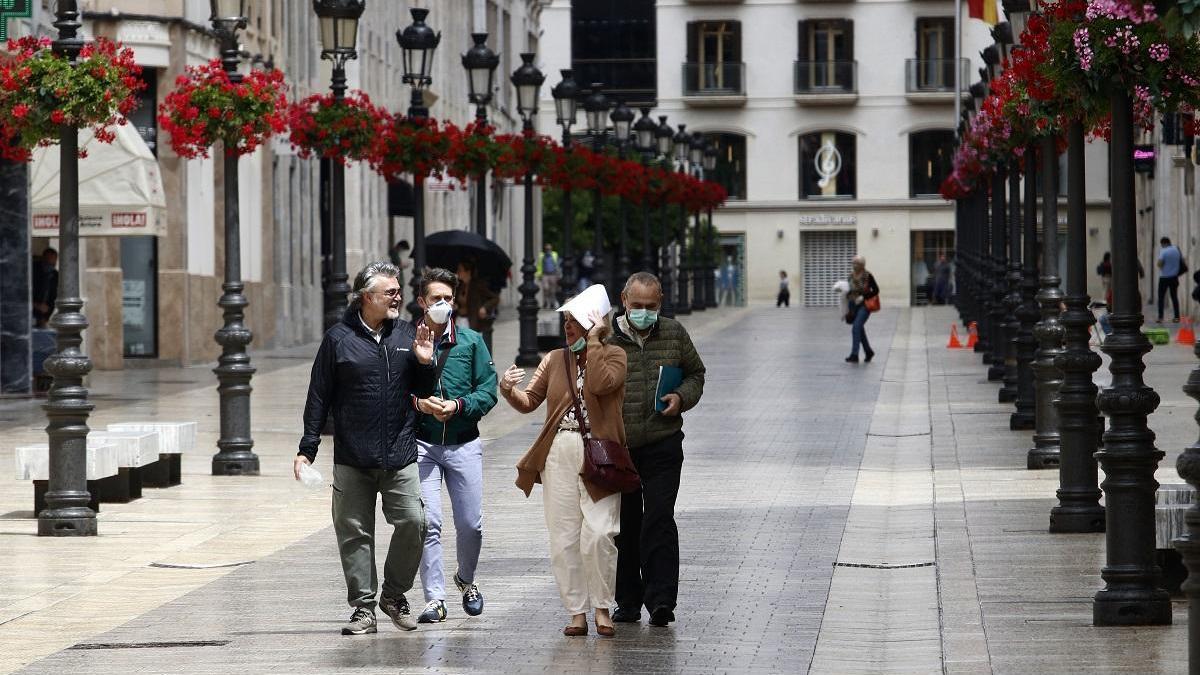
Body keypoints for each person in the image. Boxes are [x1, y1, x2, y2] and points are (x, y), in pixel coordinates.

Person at [295, 261, 437, 636]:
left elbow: (424, 393)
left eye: (398, 291)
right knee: (354, 532)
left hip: (400, 452)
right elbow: (318, 396)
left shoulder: (408, 334)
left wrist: (425, 363)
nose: (398, 298)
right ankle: (363, 608)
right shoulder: (338, 339)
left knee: (415, 523)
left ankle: (394, 595)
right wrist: (307, 448)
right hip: (353, 457)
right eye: (390, 292)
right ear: (366, 297)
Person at [498, 284, 627, 638]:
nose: (567, 327)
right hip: (559, 451)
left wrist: (598, 341)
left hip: (600, 453)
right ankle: (577, 612)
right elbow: (529, 401)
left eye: (576, 321)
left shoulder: (615, 355)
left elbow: (601, 385)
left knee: (599, 533)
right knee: (563, 536)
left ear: (595, 323)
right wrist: (508, 389)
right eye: (566, 320)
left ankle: (602, 606)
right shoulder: (554, 359)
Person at [609, 272, 706, 628]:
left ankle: (662, 600)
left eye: (651, 306)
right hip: (621, 448)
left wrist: (681, 397)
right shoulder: (605, 335)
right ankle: (628, 602)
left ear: (660, 301)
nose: (644, 312)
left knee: (660, 518)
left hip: (663, 443)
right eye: (637, 306)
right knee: (627, 525)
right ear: (624, 299)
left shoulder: (674, 333)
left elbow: (696, 373)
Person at [411, 268, 499, 624]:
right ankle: (435, 599)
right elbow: (399, 390)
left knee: (470, 524)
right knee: (427, 523)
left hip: (464, 442)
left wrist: (459, 406)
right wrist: (420, 404)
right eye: (436, 299)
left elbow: (488, 390)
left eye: (448, 298)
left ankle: (466, 578)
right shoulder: (407, 341)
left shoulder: (472, 342)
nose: (443, 305)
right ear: (422, 302)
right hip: (422, 444)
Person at [455, 260, 500, 355]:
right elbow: (458, 302)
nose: (457, 272)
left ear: (468, 272)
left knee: (471, 348)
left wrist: (484, 308)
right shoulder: (459, 286)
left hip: (472, 321)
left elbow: (495, 298)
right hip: (459, 320)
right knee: (459, 348)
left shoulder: (478, 285)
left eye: (460, 270)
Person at [846, 255, 880, 363]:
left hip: (865, 305)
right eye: (853, 263)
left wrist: (863, 297)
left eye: (856, 263)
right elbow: (849, 290)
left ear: (862, 265)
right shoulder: (850, 276)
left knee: (856, 327)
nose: (854, 265)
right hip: (853, 305)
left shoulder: (867, 275)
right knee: (859, 329)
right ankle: (868, 351)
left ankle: (854, 355)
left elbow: (876, 290)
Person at [1156, 236, 1184, 323]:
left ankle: (1160, 317)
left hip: (1164, 278)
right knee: (1174, 297)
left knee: (1161, 298)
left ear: (1164, 243)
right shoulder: (1176, 249)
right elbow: (1181, 260)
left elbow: (1159, 264)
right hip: (1174, 277)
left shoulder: (1163, 251)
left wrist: (1163, 265)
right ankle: (1176, 317)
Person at [31, 247, 58, 327]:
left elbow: (53, 297)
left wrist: (46, 317)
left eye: (53, 264)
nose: (50, 267)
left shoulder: (54, 275)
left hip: (42, 315)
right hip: (28, 311)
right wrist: (36, 305)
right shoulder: (33, 270)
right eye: (47, 263)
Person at [537, 243, 562, 309]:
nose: (548, 250)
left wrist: (558, 274)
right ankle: (545, 301)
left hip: (553, 274)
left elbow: (557, 265)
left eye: (549, 249)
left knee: (552, 290)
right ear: (545, 249)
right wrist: (539, 274)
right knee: (545, 288)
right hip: (545, 274)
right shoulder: (542, 256)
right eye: (547, 249)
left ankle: (552, 303)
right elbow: (539, 266)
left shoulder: (554, 254)